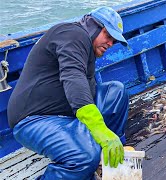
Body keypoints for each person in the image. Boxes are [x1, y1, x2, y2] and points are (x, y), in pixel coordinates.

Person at [7, 7, 129, 179]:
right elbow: (73, 76)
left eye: (114, 41)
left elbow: (86, 87)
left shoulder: (87, 47)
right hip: (33, 118)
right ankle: (85, 161)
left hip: (66, 112)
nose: (110, 44)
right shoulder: (72, 34)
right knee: (84, 156)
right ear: (93, 27)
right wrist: (99, 128)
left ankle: (110, 156)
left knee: (115, 92)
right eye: (108, 36)